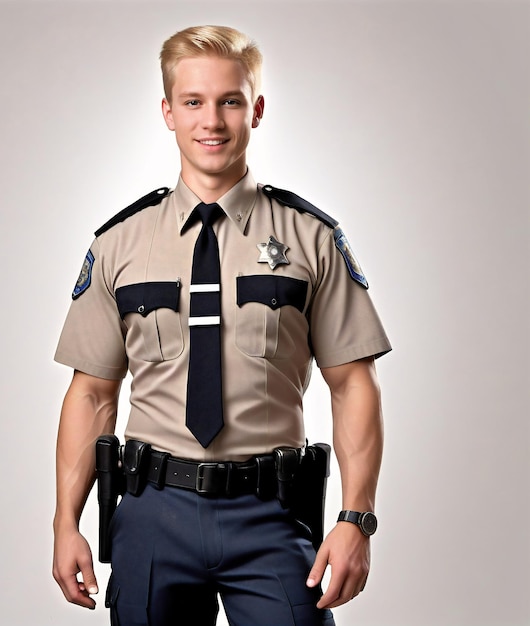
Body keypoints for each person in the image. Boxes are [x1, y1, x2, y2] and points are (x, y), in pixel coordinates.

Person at [52, 25, 391, 626]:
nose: (212, 120)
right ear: (167, 112)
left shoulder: (309, 237)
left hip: (272, 513)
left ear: (255, 110)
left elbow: (352, 382)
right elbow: (92, 392)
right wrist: (65, 523)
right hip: (153, 514)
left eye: (230, 100)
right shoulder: (119, 245)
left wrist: (355, 517)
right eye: (193, 102)